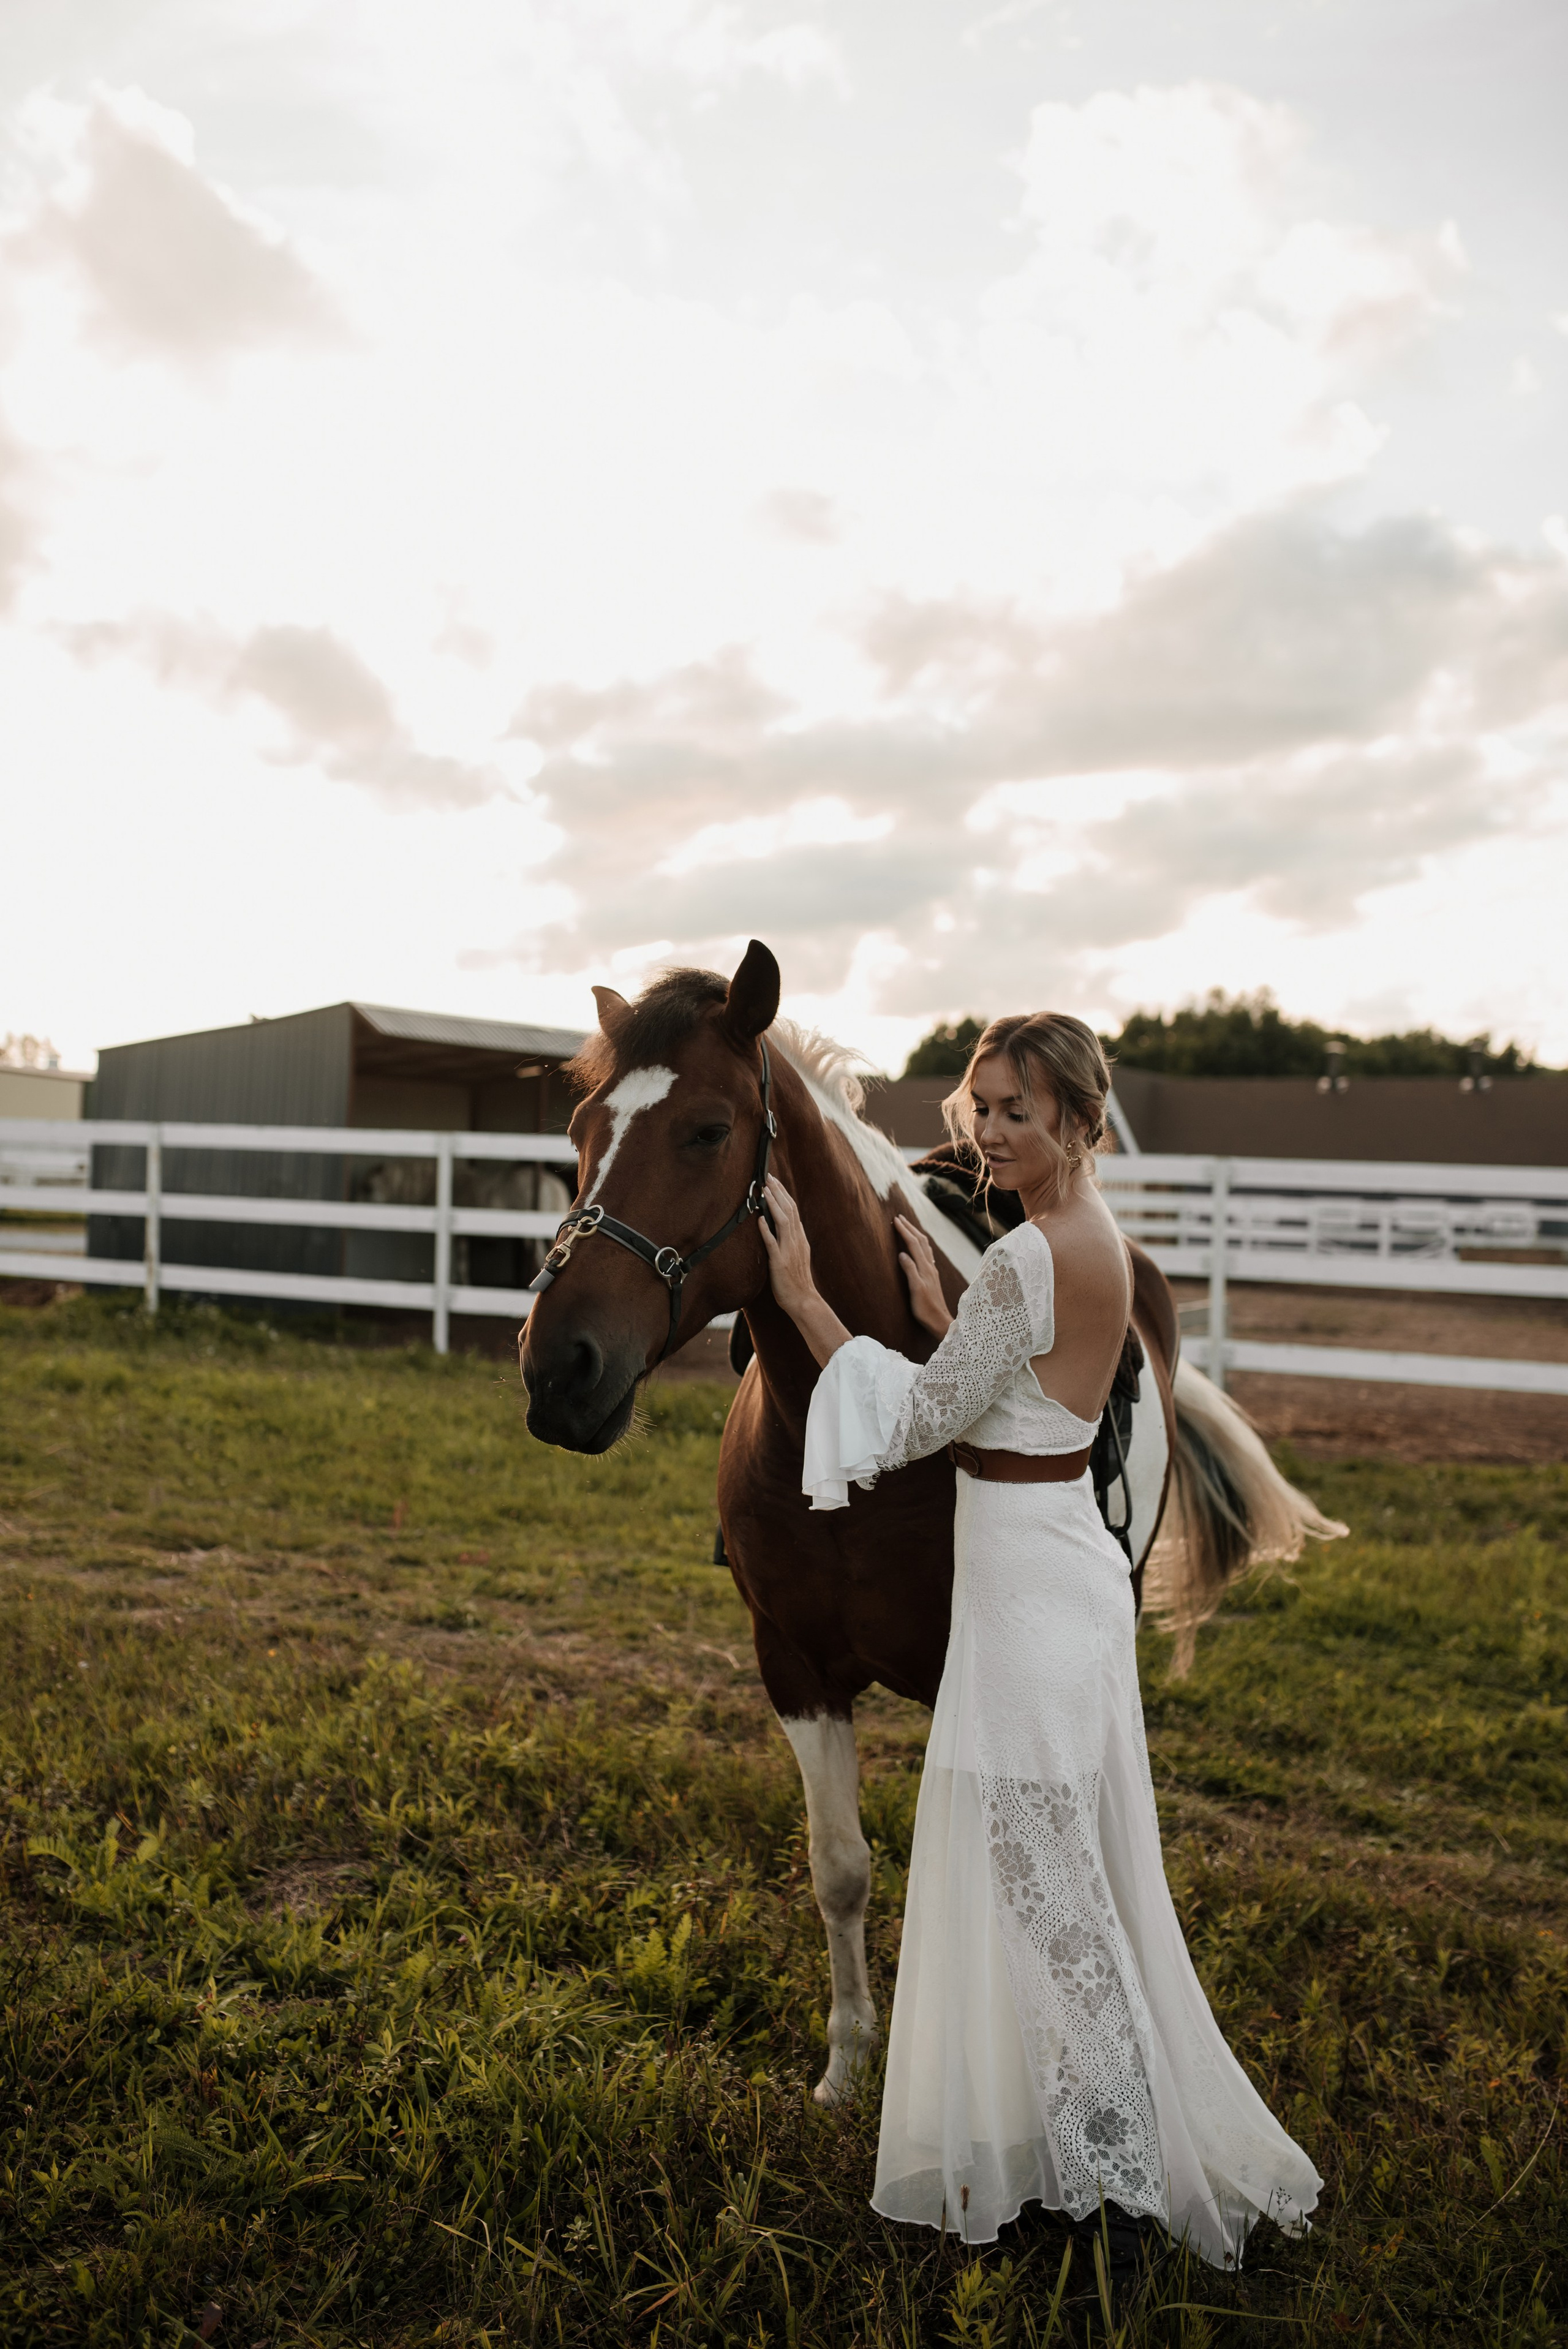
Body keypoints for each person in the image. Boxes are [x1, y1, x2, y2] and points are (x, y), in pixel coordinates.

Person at [759, 1012, 1321, 2277]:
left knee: (1044, 1886)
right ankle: (1087, 2141)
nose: (991, 1131)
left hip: (1021, 1588)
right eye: (980, 1105)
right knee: (1067, 1870)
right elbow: (1026, 1376)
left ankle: (1114, 2178)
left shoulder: (1023, 1262)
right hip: (1059, 1558)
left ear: (1077, 1116)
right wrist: (952, 1305)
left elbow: (910, 1419)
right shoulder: (1083, 1242)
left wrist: (800, 1296)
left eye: (1017, 1108)